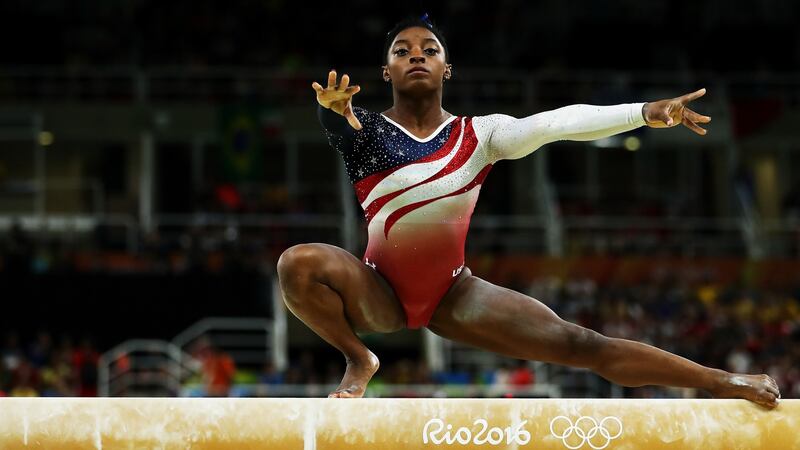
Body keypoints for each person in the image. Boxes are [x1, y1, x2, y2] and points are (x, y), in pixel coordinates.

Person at [277, 14, 781, 407]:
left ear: (446, 69)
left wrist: (642, 113)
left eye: (429, 50)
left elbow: (556, 123)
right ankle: (358, 356)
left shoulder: (480, 135)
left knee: (582, 344)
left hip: (454, 293)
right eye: (401, 51)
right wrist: (331, 111)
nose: (416, 56)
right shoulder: (364, 132)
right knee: (298, 263)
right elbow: (340, 128)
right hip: (377, 288)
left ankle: (721, 380)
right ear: (385, 71)